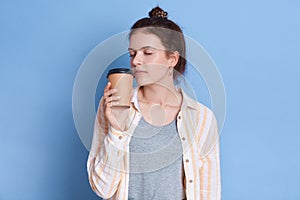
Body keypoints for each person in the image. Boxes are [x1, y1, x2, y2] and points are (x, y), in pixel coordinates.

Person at [87, 6, 221, 200]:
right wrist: (116, 131)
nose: (136, 61)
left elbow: (209, 192)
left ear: (172, 59)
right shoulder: (113, 106)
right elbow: (103, 189)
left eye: (147, 53)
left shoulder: (202, 118)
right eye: (132, 53)